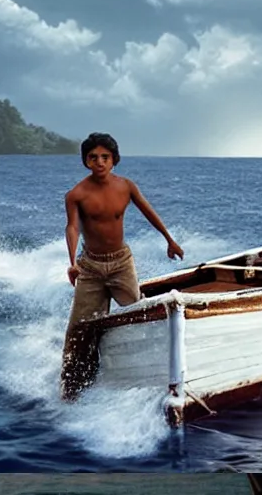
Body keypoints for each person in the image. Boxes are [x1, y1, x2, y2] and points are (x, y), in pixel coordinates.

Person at [61, 132, 184, 398]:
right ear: (85, 161)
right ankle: (71, 387)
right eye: (93, 157)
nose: (99, 162)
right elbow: (72, 227)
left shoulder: (126, 186)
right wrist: (72, 263)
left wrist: (169, 240)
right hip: (90, 268)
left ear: (114, 159)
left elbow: (149, 211)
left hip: (121, 263)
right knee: (80, 328)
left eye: (105, 157)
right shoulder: (76, 194)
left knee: (141, 315)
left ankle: (153, 370)